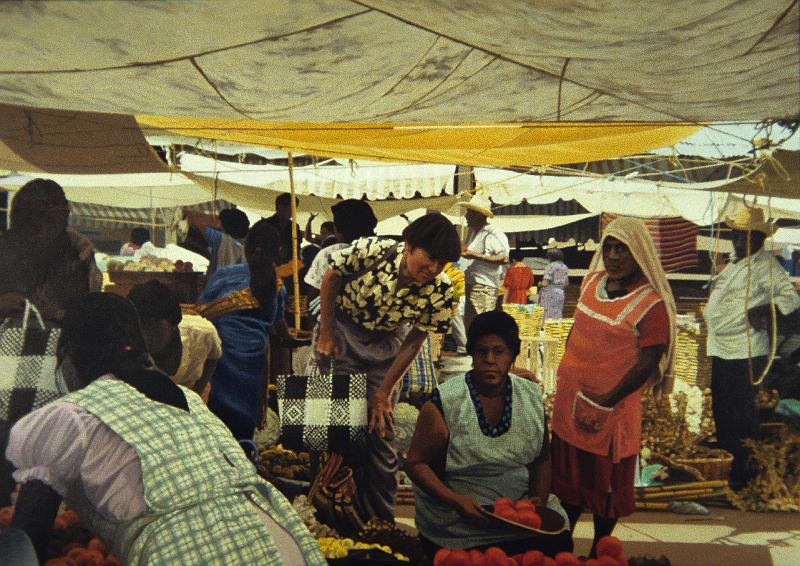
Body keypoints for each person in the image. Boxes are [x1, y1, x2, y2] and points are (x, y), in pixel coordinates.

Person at [6, 293, 326, 565]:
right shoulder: (186, 397)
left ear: (69, 358)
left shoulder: (68, 416)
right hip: (288, 544)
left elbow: (25, 540)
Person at [314, 212, 461, 521]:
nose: (433, 268)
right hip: (340, 332)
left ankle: (379, 521)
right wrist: (326, 332)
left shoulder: (441, 289)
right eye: (430, 257)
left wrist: (384, 391)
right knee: (330, 430)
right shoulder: (373, 250)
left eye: (442, 263)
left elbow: (415, 339)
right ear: (408, 245)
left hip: (387, 347)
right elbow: (331, 277)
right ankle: (319, 514)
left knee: (381, 433)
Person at [550, 217, 676, 558]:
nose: (613, 256)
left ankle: (598, 552)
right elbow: (579, 330)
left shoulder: (651, 305)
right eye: (608, 247)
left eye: (622, 249)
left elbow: (649, 360)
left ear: (639, 253)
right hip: (572, 403)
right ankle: (564, 542)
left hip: (611, 410)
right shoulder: (592, 282)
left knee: (604, 487)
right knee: (569, 484)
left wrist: (607, 399)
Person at [407, 310, 571, 558]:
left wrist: (538, 498)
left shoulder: (530, 396)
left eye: (499, 351)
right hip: (459, 517)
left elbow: (542, 459)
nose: (490, 359)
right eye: (482, 351)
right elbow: (415, 463)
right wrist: (454, 500)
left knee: (557, 544)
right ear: (472, 355)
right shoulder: (445, 401)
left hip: (518, 510)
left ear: (512, 357)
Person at [0, 179, 102, 506]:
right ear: (21, 219)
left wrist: (53, 310)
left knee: (44, 467)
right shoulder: (4, 248)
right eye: (39, 220)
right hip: (5, 373)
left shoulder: (77, 251)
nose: (47, 228)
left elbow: (89, 312)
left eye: (55, 220)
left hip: (55, 373)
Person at [703, 207, 800, 489]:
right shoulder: (734, 264)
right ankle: (729, 469)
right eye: (735, 236)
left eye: (744, 237)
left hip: (746, 350)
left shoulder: (766, 266)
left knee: (742, 414)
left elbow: (790, 299)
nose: (737, 241)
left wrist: (767, 309)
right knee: (722, 411)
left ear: (758, 239)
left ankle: (746, 476)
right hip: (721, 347)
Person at [197, 219, 305, 442]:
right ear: (279, 251)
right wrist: (296, 336)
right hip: (253, 366)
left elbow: (201, 312)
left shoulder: (223, 276)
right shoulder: (276, 285)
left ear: (245, 246)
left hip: (219, 362)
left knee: (217, 426)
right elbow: (280, 329)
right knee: (243, 428)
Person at [128, 280, 222, 399]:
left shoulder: (202, 334)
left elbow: (214, 356)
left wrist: (197, 393)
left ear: (173, 323)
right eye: (139, 327)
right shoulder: (125, 345)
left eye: (152, 326)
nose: (144, 335)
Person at [460, 194, 510, 331]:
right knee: (471, 324)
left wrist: (475, 255)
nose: (466, 216)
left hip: (484, 286)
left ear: (478, 215)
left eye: (469, 213)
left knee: (482, 324)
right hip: (472, 284)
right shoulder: (473, 232)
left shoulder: (492, 233)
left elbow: (503, 258)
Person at [185, 207, 249, 275]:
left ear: (223, 226)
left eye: (220, 223)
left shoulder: (222, 240)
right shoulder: (246, 249)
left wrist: (184, 212)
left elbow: (195, 220)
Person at [266, 192, 303, 266]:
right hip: (268, 268)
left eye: (295, 208)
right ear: (280, 207)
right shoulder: (266, 225)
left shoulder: (294, 227)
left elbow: (296, 250)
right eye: (290, 208)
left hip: (288, 269)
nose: (293, 212)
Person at [539, 247, 570, 319]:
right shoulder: (565, 267)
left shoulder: (551, 266)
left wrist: (539, 283)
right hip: (560, 293)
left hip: (549, 293)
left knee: (547, 313)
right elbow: (566, 283)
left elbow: (545, 283)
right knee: (557, 312)